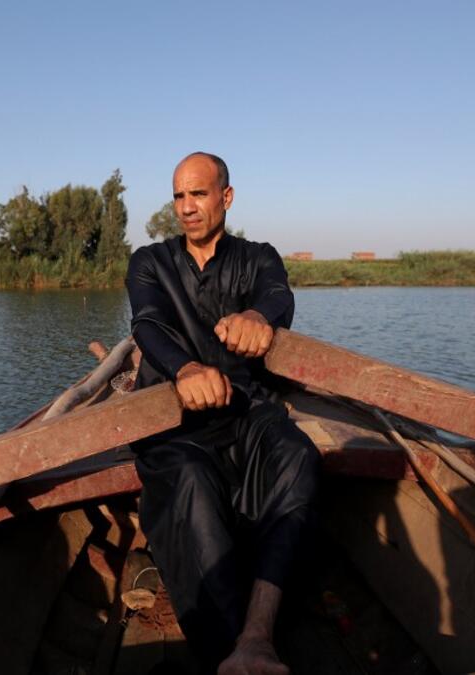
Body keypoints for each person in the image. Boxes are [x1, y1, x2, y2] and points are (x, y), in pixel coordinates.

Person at [125, 152, 320, 674]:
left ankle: (256, 637)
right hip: (173, 421)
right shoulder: (150, 261)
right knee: (188, 480)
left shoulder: (258, 257)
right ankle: (229, 648)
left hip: (246, 412)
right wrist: (184, 370)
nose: (186, 208)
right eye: (178, 196)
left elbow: (278, 294)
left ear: (225, 197)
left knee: (297, 455)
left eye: (199, 194)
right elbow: (147, 322)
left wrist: (260, 317)